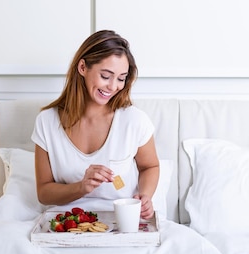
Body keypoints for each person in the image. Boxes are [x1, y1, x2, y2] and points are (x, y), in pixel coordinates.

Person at [31, 30, 160, 220]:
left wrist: (145, 196)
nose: (113, 86)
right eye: (106, 76)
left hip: (121, 219)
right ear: (82, 67)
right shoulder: (47, 122)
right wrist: (81, 187)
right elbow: (44, 192)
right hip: (67, 222)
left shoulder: (134, 121)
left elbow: (150, 166)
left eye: (121, 78)